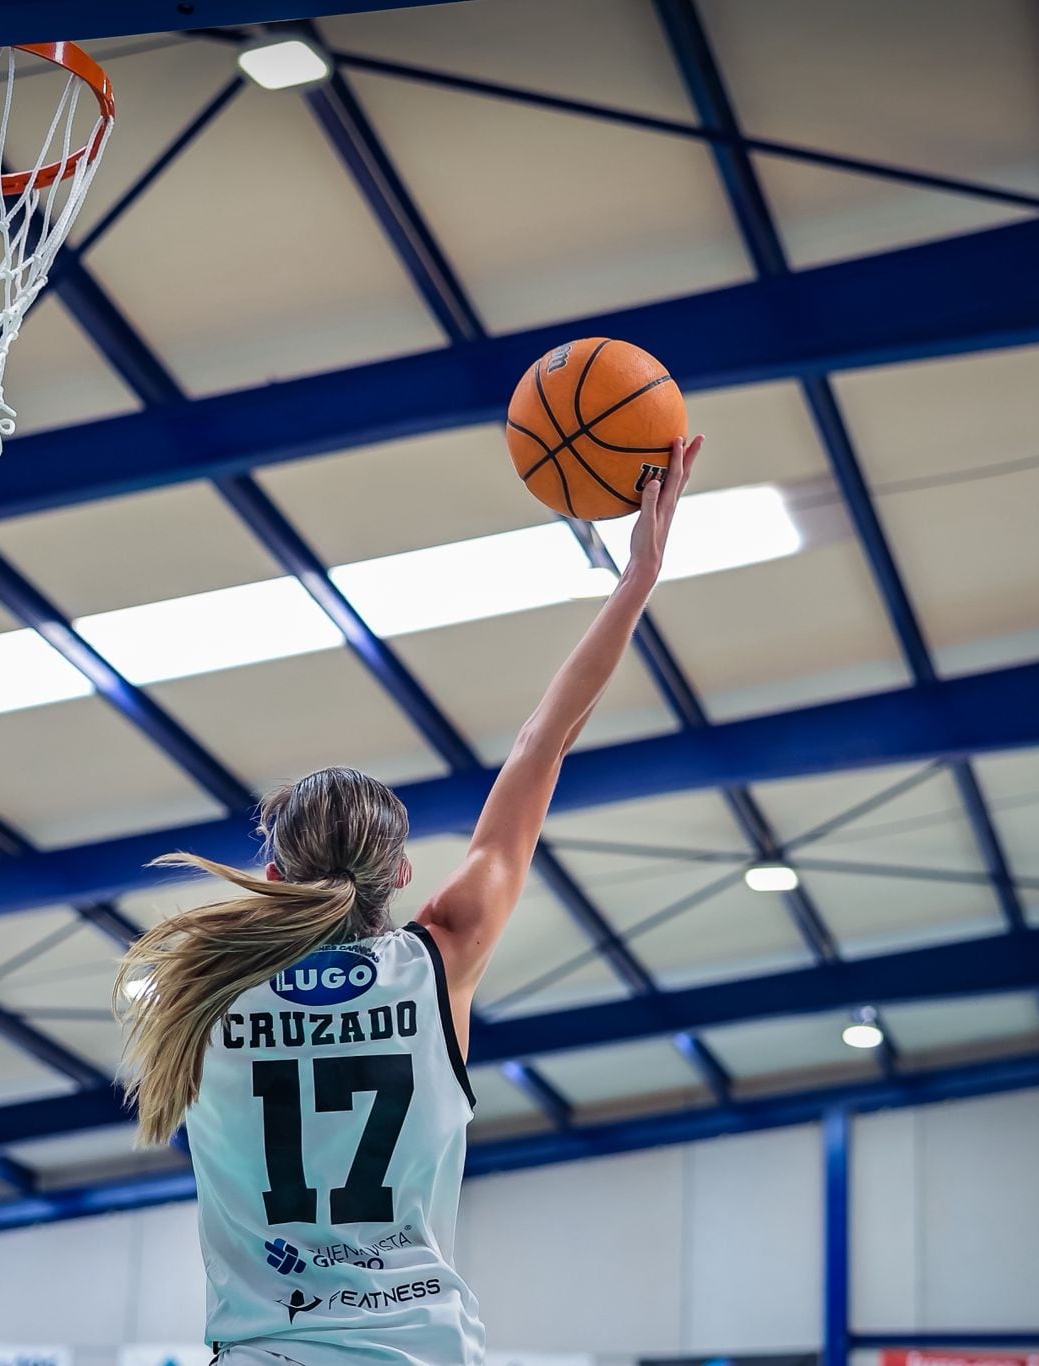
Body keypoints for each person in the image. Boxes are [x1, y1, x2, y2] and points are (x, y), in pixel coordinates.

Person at [116, 437, 703, 1365]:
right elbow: (539, 748)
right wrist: (635, 580)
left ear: (274, 879)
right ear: (401, 878)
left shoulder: (201, 992)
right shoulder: (442, 955)